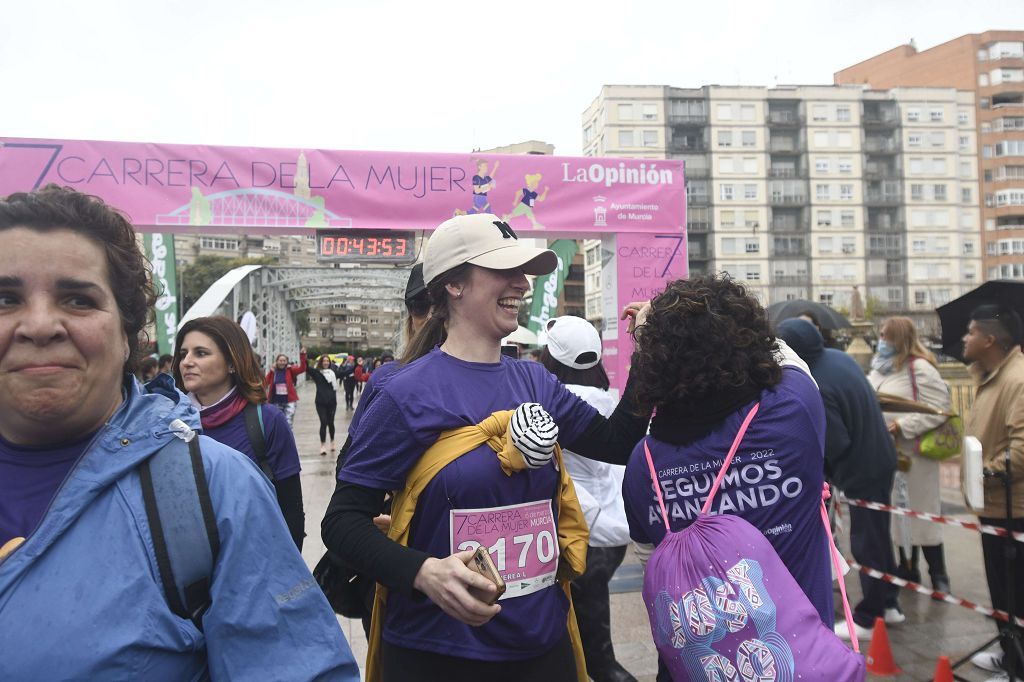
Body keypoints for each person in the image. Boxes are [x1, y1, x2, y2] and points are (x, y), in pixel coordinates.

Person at [0, 185, 357, 680]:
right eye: (5, 298)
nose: (38, 325)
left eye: (78, 299)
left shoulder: (216, 484)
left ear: (129, 336)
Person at [322, 213, 651, 682]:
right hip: (438, 652)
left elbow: (618, 443)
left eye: (525, 272)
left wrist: (648, 348)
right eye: (505, 270)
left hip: (542, 644)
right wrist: (424, 573)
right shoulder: (404, 394)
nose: (523, 284)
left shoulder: (535, 379)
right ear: (453, 285)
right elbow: (343, 522)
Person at [620, 276, 833, 681]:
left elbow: (656, 568)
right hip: (800, 665)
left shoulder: (642, 463)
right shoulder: (792, 415)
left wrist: (654, 334)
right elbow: (786, 358)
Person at [776, 317, 901, 641]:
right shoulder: (840, 357)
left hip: (861, 468)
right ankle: (889, 604)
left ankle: (869, 615)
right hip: (881, 457)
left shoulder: (816, 381)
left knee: (866, 541)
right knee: (879, 535)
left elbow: (836, 442)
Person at [539, 315, 636, 682]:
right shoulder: (609, 401)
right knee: (588, 623)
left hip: (580, 530)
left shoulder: (557, 405)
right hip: (614, 529)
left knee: (596, 653)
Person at [174, 316, 306, 549]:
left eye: (201, 353)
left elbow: (291, 509)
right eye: (183, 354)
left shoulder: (267, 420)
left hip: (254, 564)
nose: (187, 362)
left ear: (232, 362)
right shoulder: (168, 424)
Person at [960, 305, 1024, 680]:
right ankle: (1009, 651)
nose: (964, 339)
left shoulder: (1016, 380)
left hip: (1011, 507)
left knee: (1015, 592)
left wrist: (982, 473)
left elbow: (1020, 449)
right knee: (1003, 593)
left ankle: (1018, 664)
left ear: (990, 339)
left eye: (970, 332)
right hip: (993, 506)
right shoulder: (994, 377)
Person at [867, 316, 952, 593]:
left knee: (923, 514)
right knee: (900, 517)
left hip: (915, 455)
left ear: (899, 339)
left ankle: (938, 574)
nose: (881, 340)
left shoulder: (920, 369)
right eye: (880, 334)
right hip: (888, 453)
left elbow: (939, 407)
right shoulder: (880, 370)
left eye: (886, 335)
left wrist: (903, 425)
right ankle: (908, 568)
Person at [307, 353, 343, 456]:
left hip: (332, 403)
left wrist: (356, 366)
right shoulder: (317, 373)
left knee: (331, 423)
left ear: (329, 363)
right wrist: (303, 355)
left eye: (327, 361)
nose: (326, 363)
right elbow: (306, 368)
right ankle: (322, 445)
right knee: (323, 422)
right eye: (324, 361)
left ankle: (332, 441)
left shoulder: (333, 373)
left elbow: (346, 372)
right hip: (320, 402)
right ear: (321, 363)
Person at [265, 349, 306, 427]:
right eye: (280, 360)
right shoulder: (274, 372)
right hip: (276, 401)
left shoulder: (290, 370)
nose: (282, 362)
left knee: (288, 423)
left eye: (284, 360)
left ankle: (288, 439)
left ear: (287, 362)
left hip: (289, 401)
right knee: (278, 423)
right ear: (276, 362)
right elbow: (265, 382)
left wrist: (302, 356)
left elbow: (302, 369)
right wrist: (271, 371)